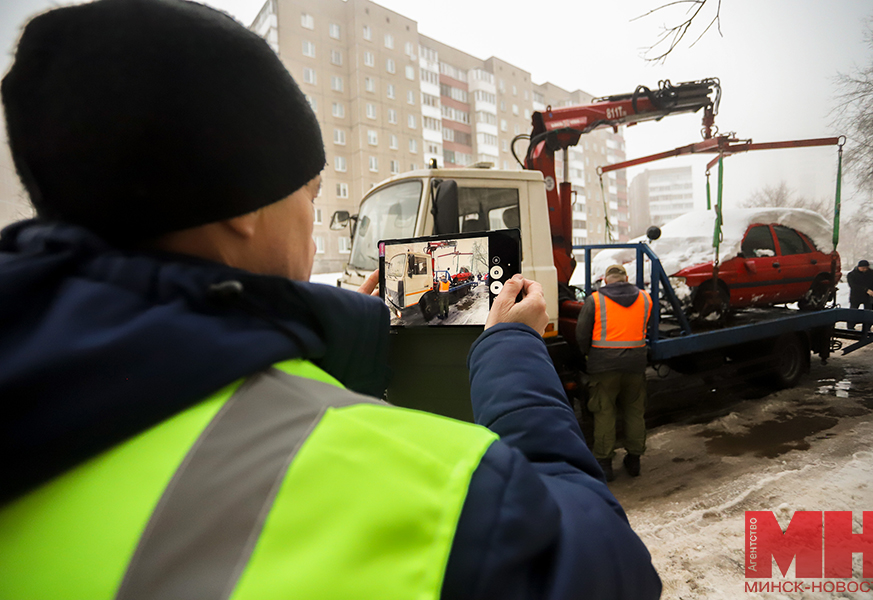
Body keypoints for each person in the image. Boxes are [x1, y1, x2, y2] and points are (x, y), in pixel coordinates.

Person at [0, 1, 662, 599]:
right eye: (312, 195)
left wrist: (334, 338)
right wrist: (512, 350)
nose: (313, 221)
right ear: (245, 210)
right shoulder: (424, 489)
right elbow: (610, 569)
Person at [576, 264, 653, 482]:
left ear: (606, 280)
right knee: (635, 410)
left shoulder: (596, 299)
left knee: (604, 412)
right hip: (636, 364)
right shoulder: (645, 298)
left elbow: (582, 333)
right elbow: (646, 326)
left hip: (603, 366)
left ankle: (605, 464)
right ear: (626, 278)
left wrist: (586, 355)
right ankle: (634, 460)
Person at [847, 259, 873, 334]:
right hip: (856, 296)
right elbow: (853, 285)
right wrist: (866, 290)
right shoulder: (852, 274)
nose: (864, 269)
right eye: (863, 268)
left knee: (869, 312)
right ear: (858, 267)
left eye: (866, 268)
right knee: (853, 312)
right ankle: (850, 327)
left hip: (869, 297)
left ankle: (867, 328)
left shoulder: (872, 273)